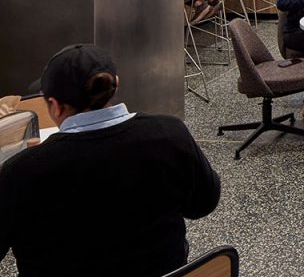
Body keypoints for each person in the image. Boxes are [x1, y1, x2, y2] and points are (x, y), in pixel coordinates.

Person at [0, 44, 220, 277]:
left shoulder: (22, 171)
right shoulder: (170, 133)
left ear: (54, 106)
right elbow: (203, 204)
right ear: (115, 82)